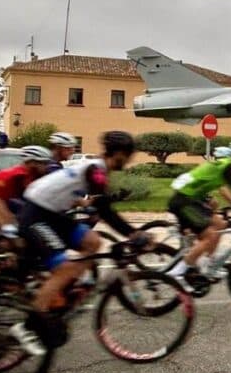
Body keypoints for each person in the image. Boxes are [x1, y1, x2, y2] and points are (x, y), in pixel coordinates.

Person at [19, 131, 144, 353]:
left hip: (53, 214)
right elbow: (104, 209)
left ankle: (65, 291)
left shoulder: (98, 169)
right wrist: (133, 234)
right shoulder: (95, 170)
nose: (128, 161)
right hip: (35, 215)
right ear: (119, 154)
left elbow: (98, 204)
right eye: (128, 156)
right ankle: (28, 326)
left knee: (93, 242)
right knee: (64, 269)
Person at [165, 141, 231, 288]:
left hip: (191, 200)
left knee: (220, 224)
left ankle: (207, 264)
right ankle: (177, 273)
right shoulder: (227, 166)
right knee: (211, 235)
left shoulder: (224, 164)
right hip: (184, 201)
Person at [0, 146, 53, 213]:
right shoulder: (20, 175)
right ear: (32, 163)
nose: (46, 167)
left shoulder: (28, 173)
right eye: (44, 163)